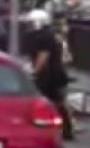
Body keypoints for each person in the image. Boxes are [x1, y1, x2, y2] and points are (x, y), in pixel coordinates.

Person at [24, 9, 73, 140]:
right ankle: (66, 129)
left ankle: (61, 128)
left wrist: (35, 71)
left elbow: (43, 55)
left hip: (49, 74)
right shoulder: (47, 34)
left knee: (49, 100)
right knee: (59, 101)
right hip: (55, 72)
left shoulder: (43, 36)